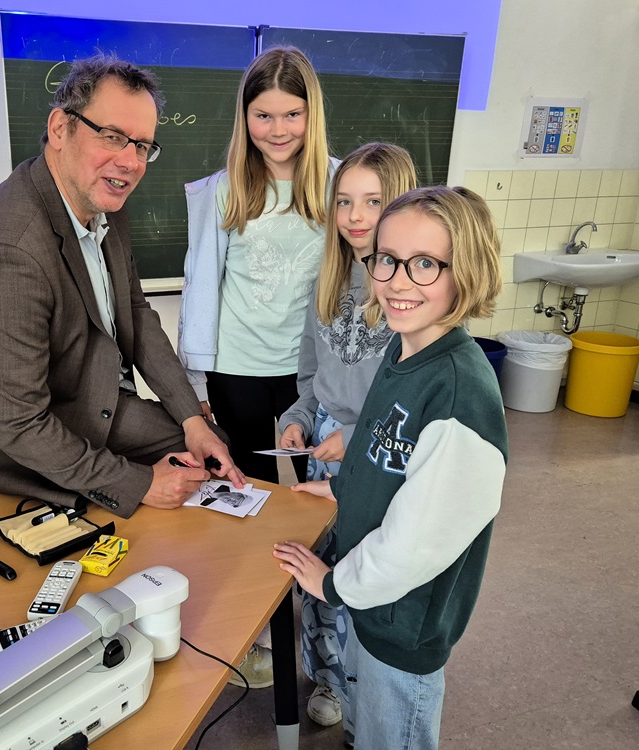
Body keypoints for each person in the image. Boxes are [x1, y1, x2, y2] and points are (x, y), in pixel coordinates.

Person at [0, 54, 244, 520]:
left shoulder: (103, 200)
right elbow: (20, 426)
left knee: (210, 450)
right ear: (61, 128)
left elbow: (137, 314)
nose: (129, 161)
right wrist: (139, 482)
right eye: (112, 137)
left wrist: (190, 418)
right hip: (23, 439)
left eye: (142, 145)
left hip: (92, 399)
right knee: (160, 497)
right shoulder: (6, 252)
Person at [273, 185, 508, 750]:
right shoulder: (400, 349)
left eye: (425, 263)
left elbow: (415, 544)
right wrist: (339, 490)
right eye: (387, 259)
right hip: (371, 603)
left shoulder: (457, 392)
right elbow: (381, 454)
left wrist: (331, 584)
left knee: (393, 733)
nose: (399, 281)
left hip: (402, 624)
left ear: (466, 269)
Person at [277, 143, 418, 729]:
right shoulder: (327, 279)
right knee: (319, 573)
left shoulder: (408, 294)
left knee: (366, 577)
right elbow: (312, 377)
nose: (356, 216)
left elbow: (413, 397)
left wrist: (356, 436)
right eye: (344, 201)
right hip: (323, 455)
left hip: (380, 456)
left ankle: (370, 708)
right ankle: (332, 682)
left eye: (374, 201)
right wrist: (300, 419)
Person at [178, 46, 337, 487]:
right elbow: (203, 283)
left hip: (309, 367)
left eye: (292, 114)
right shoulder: (225, 189)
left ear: (312, 115)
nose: (278, 130)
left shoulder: (342, 184)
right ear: (245, 117)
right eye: (262, 115)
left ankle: (314, 556)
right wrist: (195, 379)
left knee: (320, 477)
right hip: (236, 368)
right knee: (250, 484)